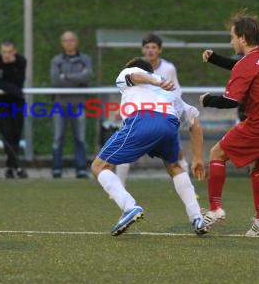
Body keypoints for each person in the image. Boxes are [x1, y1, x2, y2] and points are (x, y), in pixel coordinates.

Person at [200, 13, 259, 236]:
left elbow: (232, 100)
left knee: (217, 154)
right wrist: (215, 59)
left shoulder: (247, 64)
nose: (231, 41)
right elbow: (245, 66)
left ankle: (215, 209)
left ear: (242, 38)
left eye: (232, 37)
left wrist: (207, 100)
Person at [91, 58, 209, 236]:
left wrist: (156, 80)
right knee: (175, 167)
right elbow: (195, 126)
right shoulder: (172, 94)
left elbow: (136, 75)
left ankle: (129, 207)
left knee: (99, 166)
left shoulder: (129, 73)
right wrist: (198, 158)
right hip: (169, 126)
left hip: (142, 120)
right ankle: (197, 217)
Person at [116, 33, 186, 182]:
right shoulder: (135, 68)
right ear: (142, 50)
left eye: (154, 47)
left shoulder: (168, 68)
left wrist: (178, 109)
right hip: (138, 116)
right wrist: (121, 108)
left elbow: (176, 90)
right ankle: (118, 186)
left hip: (164, 115)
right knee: (124, 152)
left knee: (177, 155)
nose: (150, 50)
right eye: (147, 47)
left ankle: (190, 191)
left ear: (159, 50)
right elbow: (128, 90)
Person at [50, 31, 92, 179]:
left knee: (80, 138)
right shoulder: (57, 60)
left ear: (77, 41)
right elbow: (56, 81)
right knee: (58, 138)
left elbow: (87, 76)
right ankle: (56, 169)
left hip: (78, 104)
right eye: (66, 40)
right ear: (62, 43)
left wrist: (65, 76)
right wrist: (77, 78)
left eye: (72, 40)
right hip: (60, 104)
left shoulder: (84, 59)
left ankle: (81, 169)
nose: (69, 43)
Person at [0, 39, 28, 179]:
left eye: (9, 52)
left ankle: (10, 167)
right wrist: (15, 91)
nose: (6, 55)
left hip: (17, 102)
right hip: (0, 103)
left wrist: (14, 90)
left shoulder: (21, 61)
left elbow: (18, 81)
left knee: (16, 135)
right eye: (4, 52)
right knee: (7, 134)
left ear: (14, 52)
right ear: (0, 52)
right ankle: (17, 166)